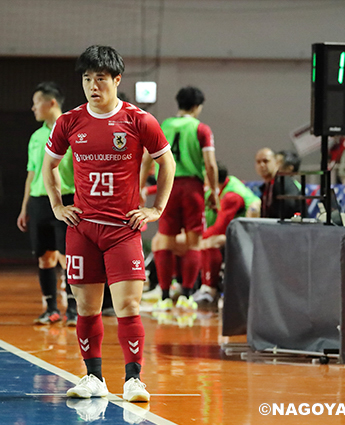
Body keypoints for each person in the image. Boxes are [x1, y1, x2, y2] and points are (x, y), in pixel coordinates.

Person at [42, 45, 175, 402]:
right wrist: (57, 205)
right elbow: (48, 165)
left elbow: (168, 163)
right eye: (87, 79)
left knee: (128, 307)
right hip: (83, 229)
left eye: (100, 78)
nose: (92, 85)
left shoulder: (139, 120)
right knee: (86, 309)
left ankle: (134, 380)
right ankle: (93, 378)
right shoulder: (69, 121)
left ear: (117, 79)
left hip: (123, 231)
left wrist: (156, 209)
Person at [143, 86, 219, 312]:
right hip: (192, 187)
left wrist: (139, 185)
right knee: (194, 242)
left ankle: (165, 295)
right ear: (197, 106)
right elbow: (210, 164)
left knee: (165, 240)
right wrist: (214, 192)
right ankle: (186, 294)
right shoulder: (201, 128)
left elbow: (147, 158)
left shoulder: (163, 125)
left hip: (167, 185)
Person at [17, 82, 78, 326]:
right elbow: (31, 173)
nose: (33, 108)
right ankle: (51, 309)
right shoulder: (36, 137)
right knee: (44, 258)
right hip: (40, 201)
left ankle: (73, 309)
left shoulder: (73, 131)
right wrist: (25, 207)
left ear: (51, 102)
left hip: (67, 200)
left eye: (36, 102)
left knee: (68, 258)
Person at [192, 164, 261, 305]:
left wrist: (199, 239)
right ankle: (202, 286)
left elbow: (220, 227)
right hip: (235, 230)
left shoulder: (231, 196)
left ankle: (210, 289)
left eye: (205, 176)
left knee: (210, 243)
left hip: (248, 234)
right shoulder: (220, 188)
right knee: (200, 241)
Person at [255, 148, 301, 218]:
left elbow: (290, 208)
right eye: (258, 162)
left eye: (266, 161)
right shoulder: (266, 186)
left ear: (276, 163)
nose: (261, 165)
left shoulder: (284, 183)